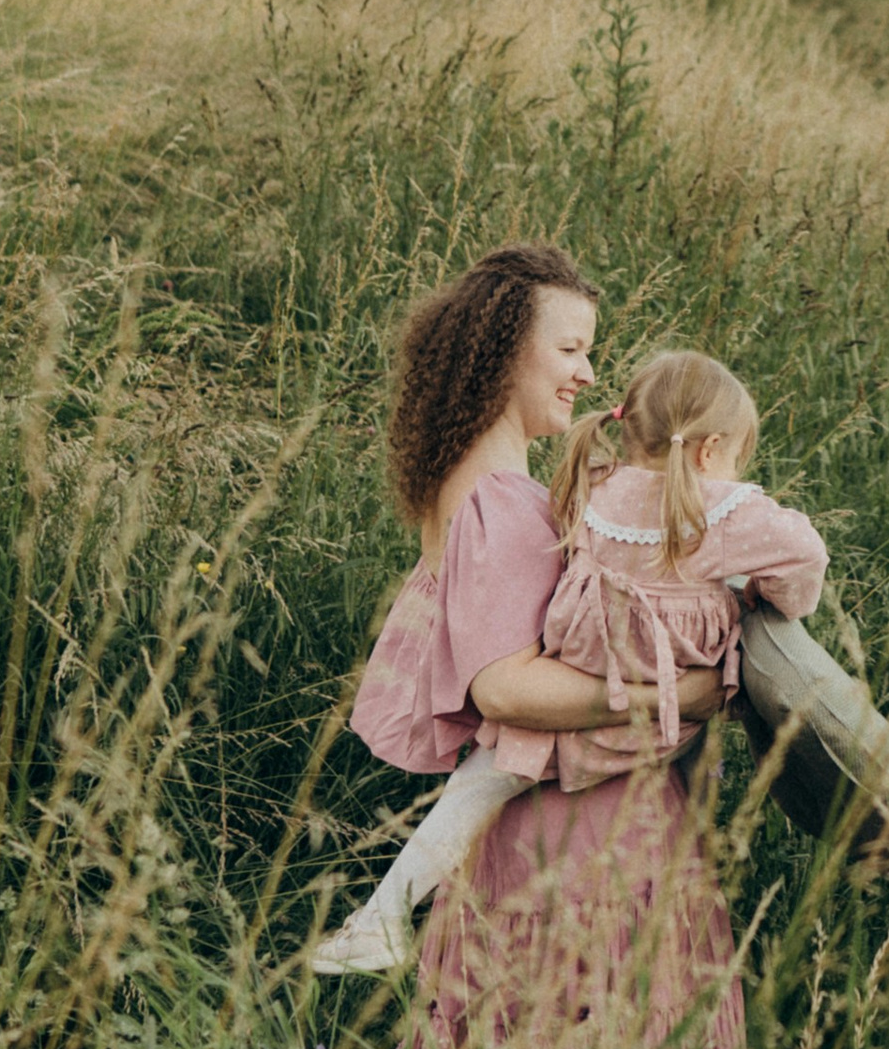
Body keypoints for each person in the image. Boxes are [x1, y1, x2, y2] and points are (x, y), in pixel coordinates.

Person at [324, 239, 745, 1049]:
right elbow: (505, 687)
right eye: (570, 350)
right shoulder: (499, 501)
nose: (588, 374)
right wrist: (690, 690)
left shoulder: (490, 487)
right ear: (506, 348)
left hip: (529, 826)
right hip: (577, 830)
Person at [315, 344, 825, 972]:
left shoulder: (594, 483)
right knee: (687, 768)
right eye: (736, 454)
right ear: (708, 450)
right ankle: (698, 860)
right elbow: (806, 556)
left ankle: (383, 916)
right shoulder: (726, 512)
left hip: (577, 675)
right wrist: (762, 595)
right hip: (667, 697)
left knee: (482, 780)